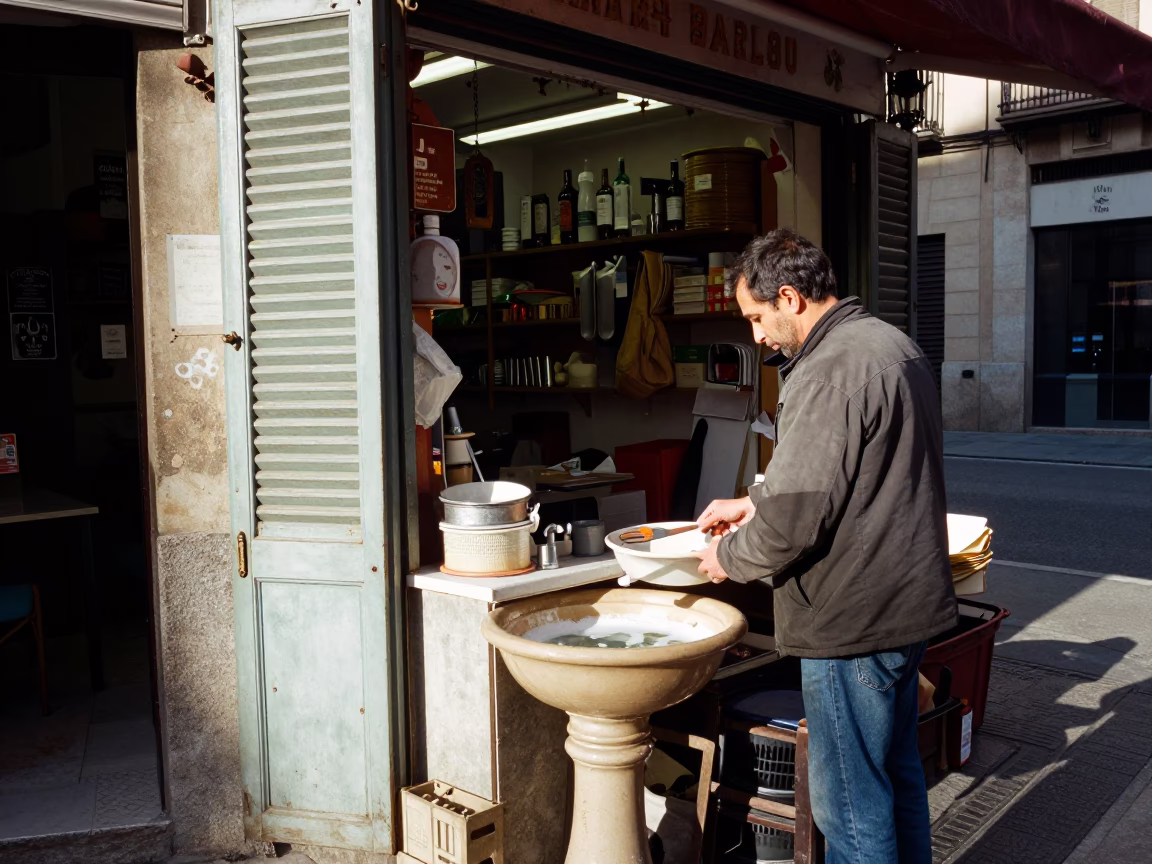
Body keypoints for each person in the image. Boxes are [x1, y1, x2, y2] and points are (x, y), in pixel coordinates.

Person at [694, 229, 957, 864]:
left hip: (852, 621)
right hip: (906, 606)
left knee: (850, 809)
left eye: (757, 318)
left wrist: (726, 558)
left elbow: (794, 521)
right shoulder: (891, 345)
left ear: (789, 297)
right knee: (898, 777)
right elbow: (859, 470)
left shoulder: (827, 370)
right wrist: (753, 500)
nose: (757, 336)